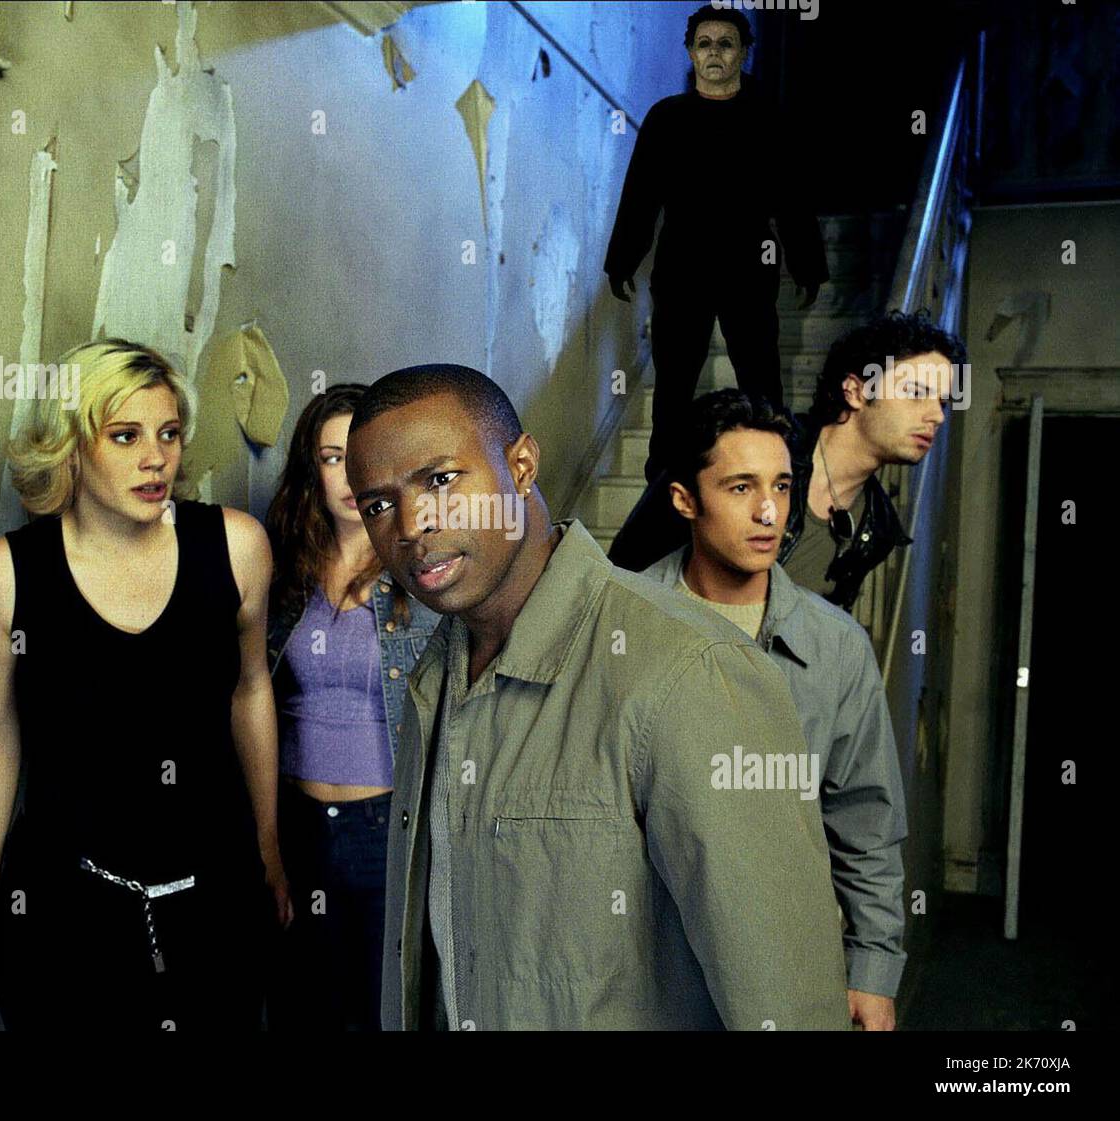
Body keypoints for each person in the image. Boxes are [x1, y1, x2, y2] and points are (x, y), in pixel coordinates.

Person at [344, 363, 849, 1030]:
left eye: (440, 480)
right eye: (379, 505)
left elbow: (786, 1002)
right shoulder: (431, 680)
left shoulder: (688, 670)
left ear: (521, 465)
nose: (411, 525)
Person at [0, 340, 285, 1030]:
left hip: (216, 906)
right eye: (125, 436)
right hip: (63, 915)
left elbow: (251, 690)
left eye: (169, 433)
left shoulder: (236, 547)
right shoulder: (2, 577)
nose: (157, 457)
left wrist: (268, 848)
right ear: (71, 449)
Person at [639, 389, 908, 1030]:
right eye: (741, 487)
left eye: (782, 487)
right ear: (684, 499)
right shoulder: (623, 628)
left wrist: (872, 968)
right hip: (653, 970)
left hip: (787, 967)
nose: (769, 511)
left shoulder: (835, 647)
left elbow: (865, 819)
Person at [263, 384, 439, 1031]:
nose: (347, 474)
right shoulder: (282, 570)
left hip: (384, 824)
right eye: (332, 457)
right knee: (298, 1009)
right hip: (296, 823)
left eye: (360, 455)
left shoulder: (423, 569)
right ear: (312, 468)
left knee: (381, 1009)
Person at [609, 309, 968, 609]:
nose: (937, 416)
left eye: (943, 402)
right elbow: (629, 561)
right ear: (856, 392)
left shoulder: (877, 528)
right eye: (916, 393)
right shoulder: (744, 448)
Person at [605, 5, 827, 483]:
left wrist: (807, 264)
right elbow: (641, 195)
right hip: (682, 266)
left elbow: (791, 198)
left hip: (749, 265)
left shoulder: (767, 118)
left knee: (760, 378)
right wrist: (622, 260)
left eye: (726, 43)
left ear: (744, 52)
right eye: (704, 43)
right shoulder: (667, 119)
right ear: (690, 52)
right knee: (674, 381)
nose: (714, 53)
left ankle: (773, 467)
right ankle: (664, 480)